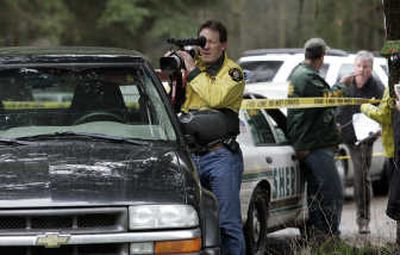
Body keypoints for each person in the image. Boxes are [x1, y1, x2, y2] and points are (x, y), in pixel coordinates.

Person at [175, 20, 246, 254]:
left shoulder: (233, 73)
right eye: (201, 42)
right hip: (189, 157)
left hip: (220, 156)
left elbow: (215, 98)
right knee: (193, 224)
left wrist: (192, 70)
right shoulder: (190, 69)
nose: (204, 47)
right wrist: (176, 72)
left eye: (210, 43)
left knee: (227, 224)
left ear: (223, 45)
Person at [287, 38, 347, 244]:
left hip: (311, 142)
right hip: (314, 145)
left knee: (317, 193)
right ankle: (330, 235)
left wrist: (330, 124)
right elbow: (328, 98)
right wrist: (343, 84)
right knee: (333, 192)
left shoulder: (300, 74)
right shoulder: (306, 77)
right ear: (320, 57)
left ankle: (318, 237)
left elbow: (314, 110)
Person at [336, 50, 384, 234]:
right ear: (353, 67)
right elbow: (330, 100)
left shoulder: (377, 87)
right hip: (341, 134)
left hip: (364, 139)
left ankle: (363, 220)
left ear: (371, 69)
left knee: (360, 178)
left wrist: (380, 127)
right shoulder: (345, 82)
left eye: (366, 67)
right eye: (358, 66)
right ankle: (330, 223)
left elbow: (384, 113)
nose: (362, 70)